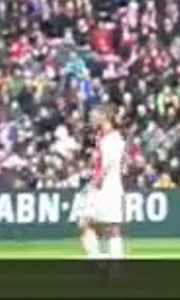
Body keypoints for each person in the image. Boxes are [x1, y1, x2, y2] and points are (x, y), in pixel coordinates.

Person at [77, 106, 128, 259]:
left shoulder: (110, 140)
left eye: (95, 117)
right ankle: (113, 262)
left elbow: (105, 166)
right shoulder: (111, 138)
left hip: (104, 187)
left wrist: (95, 181)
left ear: (104, 118)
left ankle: (98, 260)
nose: (92, 120)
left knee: (88, 224)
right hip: (111, 186)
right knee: (110, 227)